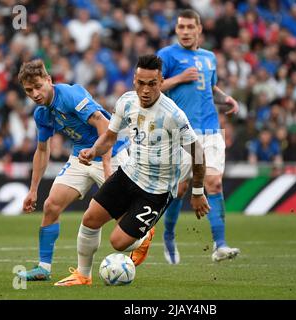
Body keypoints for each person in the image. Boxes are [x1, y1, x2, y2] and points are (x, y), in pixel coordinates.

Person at [54, 54, 210, 286]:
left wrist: (197, 192)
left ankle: (144, 236)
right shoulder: (126, 102)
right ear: (134, 81)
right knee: (90, 219)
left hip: (157, 190)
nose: (145, 90)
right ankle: (83, 275)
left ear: (161, 82)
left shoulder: (173, 115)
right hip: (129, 174)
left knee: (118, 242)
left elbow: (198, 153)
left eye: (152, 84)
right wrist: (94, 151)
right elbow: (109, 136)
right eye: (140, 83)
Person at [16, 59, 129, 281]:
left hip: (111, 154)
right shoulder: (42, 114)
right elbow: (41, 150)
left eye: (38, 86)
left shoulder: (69, 95)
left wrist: (106, 166)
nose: (35, 93)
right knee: (51, 205)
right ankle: (43, 268)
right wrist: (33, 189)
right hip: (80, 156)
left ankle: (141, 235)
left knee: (125, 226)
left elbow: (103, 124)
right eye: (29, 90)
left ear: (49, 80)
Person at [157, 9, 240, 264]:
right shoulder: (167, 55)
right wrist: (180, 78)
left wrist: (225, 98)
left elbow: (209, 86)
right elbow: (151, 87)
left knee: (213, 183)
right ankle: (169, 236)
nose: (184, 32)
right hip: (181, 132)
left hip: (211, 130)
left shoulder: (209, 57)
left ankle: (220, 245)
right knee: (180, 189)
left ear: (199, 29)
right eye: (180, 27)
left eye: (189, 27)